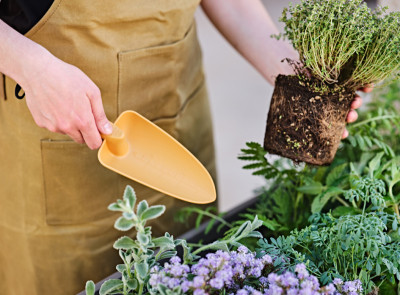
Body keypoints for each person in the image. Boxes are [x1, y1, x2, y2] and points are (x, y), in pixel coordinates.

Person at [0, 1, 368, 294]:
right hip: (58, 124)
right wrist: (30, 67)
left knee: (193, 262)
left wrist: (288, 71)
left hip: (176, 109)